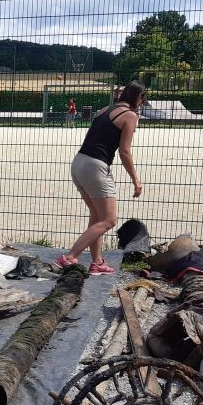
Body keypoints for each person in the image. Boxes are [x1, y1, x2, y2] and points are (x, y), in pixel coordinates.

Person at [56, 81, 146, 275]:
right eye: (142, 99)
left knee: (97, 216)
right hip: (95, 167)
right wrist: (136, 180)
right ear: (138, 97)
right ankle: (70, 257)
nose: (141, 103)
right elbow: (124, 151)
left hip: (79, 162)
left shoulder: (103, 110)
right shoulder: (130, 116)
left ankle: (97, 262)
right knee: (109, 220)